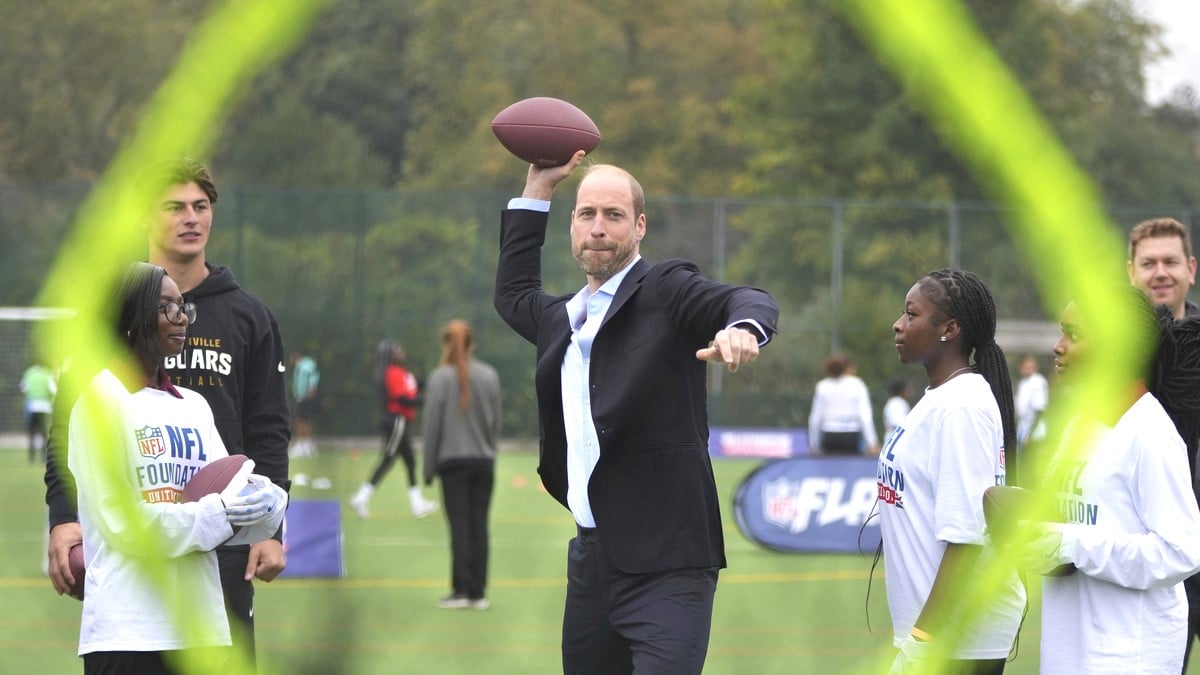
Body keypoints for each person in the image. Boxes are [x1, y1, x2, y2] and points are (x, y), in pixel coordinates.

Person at [493, 151, 779, 674]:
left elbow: (745, 297)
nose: (598, 228)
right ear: (573, 225)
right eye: (587, 215)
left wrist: (742, 329)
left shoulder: (665, 291)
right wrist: (538, 186)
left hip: (670, 566)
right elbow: (512, 293)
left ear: (640, 226)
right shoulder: (562, 320)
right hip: (591, 564)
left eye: (614, 215)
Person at [45, 157, 292, 665]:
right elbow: (67, 423)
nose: (191, 218)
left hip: (220, 538)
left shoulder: (249, 316)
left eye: (201, 206)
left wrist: (271, 526)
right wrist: (64, 516)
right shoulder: (103, 317)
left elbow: (268, 429)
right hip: (137, 538)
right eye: (175, 207)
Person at [70, 261, 286, 674]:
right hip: (129, 632)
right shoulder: (98, 405)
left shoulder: (194, 405)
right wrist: (218, 514)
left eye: (184, 306)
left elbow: (237, 501)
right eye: (166, 307)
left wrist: (270, 501)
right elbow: (127, 525)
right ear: (129, 317)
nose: (182, 317)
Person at [1009, 287, 1200, 674]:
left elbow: (1181, 553)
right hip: (1069, 650)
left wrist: (1070, 544)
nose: (1058, 347)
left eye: (1074, 335)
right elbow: (1075, 524)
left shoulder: (1151, 434)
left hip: (1127, 657)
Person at [879, 268, 1025, 674]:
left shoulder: (961, 407)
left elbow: (966, 538)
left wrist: (923, 641)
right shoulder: (939, 398)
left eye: (911, 314)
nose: (899, 323)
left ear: (951, 328)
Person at [421, 320, 502, 610]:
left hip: (452, 464)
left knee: (460, 527)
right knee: (479, 527)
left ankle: (460, 591)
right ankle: (478, 593)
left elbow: (432, 428)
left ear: (446, 345)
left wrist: (428, 468)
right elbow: (495, 424)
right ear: (473, 344)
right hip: (483, 462)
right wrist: (489, 452)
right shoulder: (490, 376)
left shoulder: (440, 378)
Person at [349, 340, 437, 519]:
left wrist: (439, 381)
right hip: (396, 421)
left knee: (410, 461)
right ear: (389, 354)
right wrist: (427, 401)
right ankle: (361, 496)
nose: (401, 351)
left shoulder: (403, 373)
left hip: (402, 422)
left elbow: (418, 383)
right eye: (396, 350)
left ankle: (417, 503)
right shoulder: (392, 373)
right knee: (388, 459)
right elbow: (402, 399)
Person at [1127, 217, 1198, 320]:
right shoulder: (1104, 334)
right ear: (1132, 273)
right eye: (1148, 264)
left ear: (1190, 269)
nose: (1161, 274)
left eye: (1171, 262)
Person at [807, 353, 879, 455]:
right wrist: (872, 442)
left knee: (828, 470)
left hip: (829, 437)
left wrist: (814, 444)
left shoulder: (822, 386)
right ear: (848, 368)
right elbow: (865, 416)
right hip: (851, 437)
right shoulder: (857, 384)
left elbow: (815, 419)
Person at [20, 359, 57, 464]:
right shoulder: (46, 374)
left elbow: (23, 389)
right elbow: (53, 390)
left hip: (32, 407)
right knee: (44, 433)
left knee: (31, 433)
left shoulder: (29, 373)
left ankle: (31, 457)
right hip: (44, 407)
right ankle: (43, 457)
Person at [1013, 354, 1049, 451]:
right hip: (1023, 430)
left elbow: (1039, 411)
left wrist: (1030, 435)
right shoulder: (1023, 382)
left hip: (1034, 434)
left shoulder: (1038, 382)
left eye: (1029, 366)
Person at [288, 351, 320, 458]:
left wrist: (312, 387)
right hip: (300, 396)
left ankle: (304, 445)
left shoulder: (306, 365)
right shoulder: (301, 366)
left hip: (303, 397)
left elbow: (314, 375)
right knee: (302, 420)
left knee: (301, 421)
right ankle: (305, 445)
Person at [881, 377, 912, 441]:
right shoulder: (895, 403)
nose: (909, 390)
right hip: (895, 439)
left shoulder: (899, 402)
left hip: (897, 439)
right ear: (902, 389)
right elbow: (897, 423)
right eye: (907, 388)